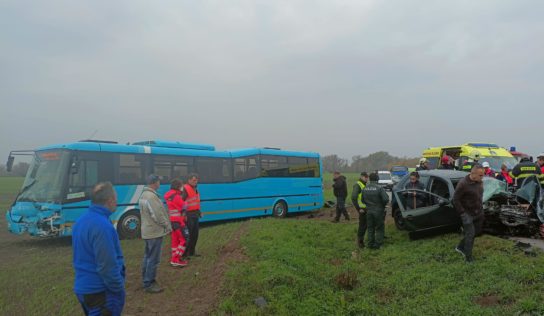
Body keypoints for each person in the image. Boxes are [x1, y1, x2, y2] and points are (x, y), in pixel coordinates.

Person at [72, 182, 125, 316]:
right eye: (116, 199)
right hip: (101, 292)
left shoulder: (81, 221)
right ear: (110, 200)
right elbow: (107, 265)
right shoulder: (102, 226)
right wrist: (118, 288)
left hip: (84, 289)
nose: (117, 202)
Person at [140, 174, 172, 293]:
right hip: (154, 232)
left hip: (147, 231)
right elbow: (157, 215)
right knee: (154, 258)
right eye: (159, 181)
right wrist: (167, 226)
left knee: (147, 257)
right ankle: (149, 283)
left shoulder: (144, 194)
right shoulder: (151, 197)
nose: (160, 183)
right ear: (154, 182)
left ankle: (145, 279)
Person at [454, 164, 485, 263]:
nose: (482, 177)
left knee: (475, 233)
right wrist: (463, 213)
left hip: (478, 212)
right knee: (470, 234)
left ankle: (459, 247)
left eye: (482, 175)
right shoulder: (463, 184)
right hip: (467, 214)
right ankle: (468, 258)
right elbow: (455, 199)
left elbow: (479, 195)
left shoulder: (479, 182)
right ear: (473, 174)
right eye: (480, 175)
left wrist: (481, 208)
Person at [361, 173, 390, 249]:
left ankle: (370, 244)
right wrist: (382, 205)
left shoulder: (364, 188)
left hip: (369, 211)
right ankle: (378, 244)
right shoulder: (379, 188)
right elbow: (386, 199)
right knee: (379, 227)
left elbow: (362, 200)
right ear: (377, 179)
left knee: (370, 228)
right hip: (378, 211)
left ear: (370, 179)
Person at [164, 179, 189, 267]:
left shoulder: (169, 195)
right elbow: (184, 206)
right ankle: (175, 259)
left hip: (173, 221)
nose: (182, 187)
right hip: (178, 221)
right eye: (181, 185)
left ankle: (174, 258)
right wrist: (186, 203)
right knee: (184, 240)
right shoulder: (176, 196)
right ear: (178, 186)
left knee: (175, 241)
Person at [182, 173, 202, 258]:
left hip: (195, 214)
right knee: (188, 235)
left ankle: (192, 252)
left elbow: (196, 202)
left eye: (196, 180)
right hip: (188, 215)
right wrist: (184, 214)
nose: (195, 182)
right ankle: (185, 253)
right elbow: (181, 202)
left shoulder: (195, 189)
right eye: (194, 180)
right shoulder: (185, 189)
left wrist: (199, 211)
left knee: (195, 234)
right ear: (189, 180)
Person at [351, 172, 369, 248]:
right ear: (361, 177)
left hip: (366, 209)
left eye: (367, 177)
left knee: (366, 225)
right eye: (365, 177)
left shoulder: (364, 184)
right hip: (362, 209)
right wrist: (359, 209)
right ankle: (360, 242)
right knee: (362, 226)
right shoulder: (358, 185)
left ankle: (364, 240)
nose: (367, 178)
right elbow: (353, 197)